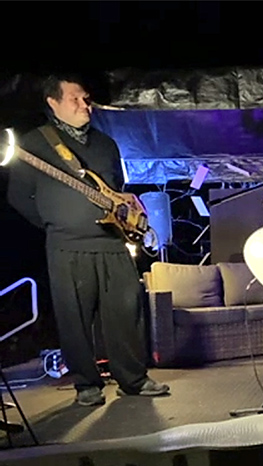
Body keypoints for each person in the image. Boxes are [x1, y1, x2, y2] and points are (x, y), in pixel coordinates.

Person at [6, 74, 169, 406]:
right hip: (67, 246)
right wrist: (57, 224)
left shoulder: (105, 143)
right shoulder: (34, 145)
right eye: (75, 99)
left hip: (112, 243)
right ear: (53, 103)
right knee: (74, 317)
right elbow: (19, 198)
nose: (85, 105)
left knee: (126, 311)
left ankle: (133, 378)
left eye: (86, 99)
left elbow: (118, 188)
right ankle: (86, 384)